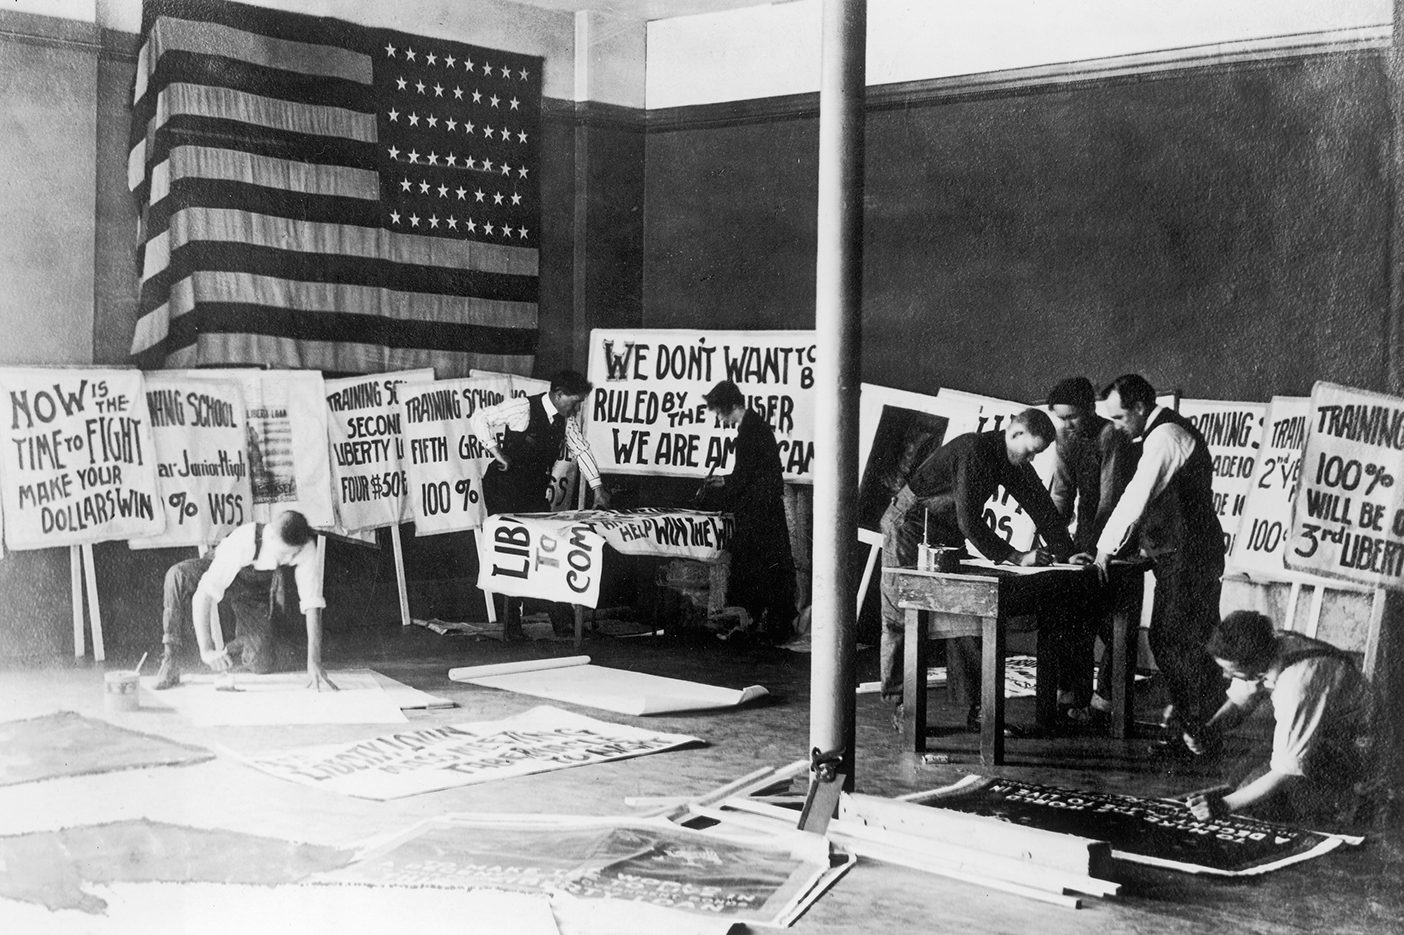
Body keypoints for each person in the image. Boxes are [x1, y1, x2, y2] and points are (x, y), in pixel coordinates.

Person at [879, 409, 1074, 727]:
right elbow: (969, 520)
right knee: (901, 615)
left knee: (967, 612)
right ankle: (903, 705)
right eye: (1030, 453)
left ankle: (978, 710)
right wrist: (1015, 555)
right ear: (1015, 434)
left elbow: (1042, 506)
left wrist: (1068, 554)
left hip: (944, 529)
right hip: (910, 524)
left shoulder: (1013, 459)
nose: (1032, 461)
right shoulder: (974, 450)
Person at [1074, 374, 1225, 755]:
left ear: (1140, 407)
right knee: (1188, 640)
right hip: (1182, 554)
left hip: (1189, 556)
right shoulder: (1158, 434)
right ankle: (1199, 730)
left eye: (1121, 418)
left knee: (1172, 638)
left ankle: (1196, 731)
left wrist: (1105, 548)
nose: (1119, 428)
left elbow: (1136, 497)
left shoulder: (1165, 436)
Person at [1187, 611, 1370, 825]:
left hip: (1358, 750)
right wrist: (1210, 729)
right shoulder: (1270, 647)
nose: (1226, 677)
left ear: (1254, 662)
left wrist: (1224, 805)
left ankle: (1351, 800)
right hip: (1320, 734)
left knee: (1256, 801)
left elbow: (1287, 771)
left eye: (1232, 671)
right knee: (1238, 777)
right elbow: (1240, 700)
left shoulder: (1297, 685)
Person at [469, 369, 611, 639]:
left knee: (549, 550)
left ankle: (562, 621)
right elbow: (479, 418)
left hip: (533, 490)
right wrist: (495, 450)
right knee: (511, 551)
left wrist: (598, 487)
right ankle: (512, 628)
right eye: (575, 401)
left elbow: (581, 449)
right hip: (505, 489)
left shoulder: (565, 421)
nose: (577, 407)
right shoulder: (523, 407)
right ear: (559, 395)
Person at [153, 510, 337, 691]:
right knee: (177, 575)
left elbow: (312, 603)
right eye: (283, 553)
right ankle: (171, 659)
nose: (288, 559)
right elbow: (204, 595)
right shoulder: (243, 541)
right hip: (220, 570)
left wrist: (314, 662)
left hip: (252, 592)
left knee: (261, 662)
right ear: (271, 536)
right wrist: (206, 649)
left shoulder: (304, 547)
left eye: (292, 555)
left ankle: (235, 646)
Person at [1046, 376, 1136, 717]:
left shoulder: (1111, 435)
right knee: (1074, 618)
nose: (1067, 425)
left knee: (1115, 624)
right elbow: (1062, 492)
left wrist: (1102, 547)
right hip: (1085, 534)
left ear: (1090, 408)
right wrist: (1055, 540)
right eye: (1060, 418)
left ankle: (1107, 700)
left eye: (1072, 417)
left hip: (1116, 536)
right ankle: (1072, 693)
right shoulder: (1064, 438)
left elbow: (1110, 498)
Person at [699, 380, 796, 643]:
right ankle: (766, 624)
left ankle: (753, 623)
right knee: (768, 569)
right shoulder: (755, 427)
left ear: (730, 406)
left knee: (758, 568)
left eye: (719, 412)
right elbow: (750, 473)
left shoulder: (750, 432)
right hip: (764, 509)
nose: (719, 418)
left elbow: (749, 477)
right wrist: (727, 480)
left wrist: (726, 483)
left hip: (759, 513)